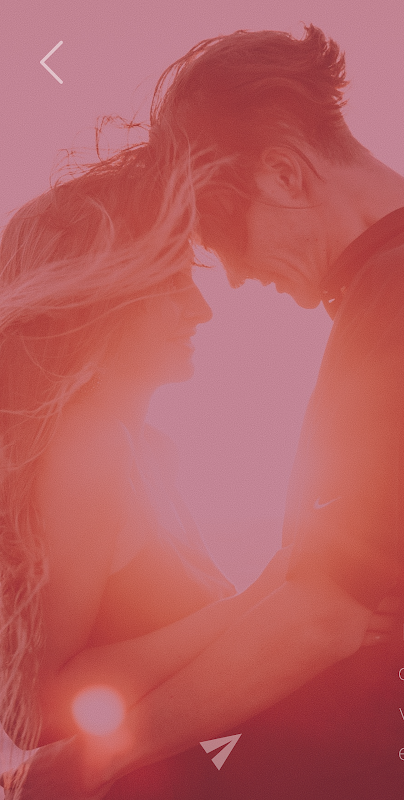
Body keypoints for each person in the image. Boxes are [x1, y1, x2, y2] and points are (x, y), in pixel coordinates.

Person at [0, 128, 302, 799]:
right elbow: (34, 706)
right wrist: (255, 602)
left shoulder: (148, 451)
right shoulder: (89, 447)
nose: (202, 308)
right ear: (97, 301)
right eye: (170, 283)